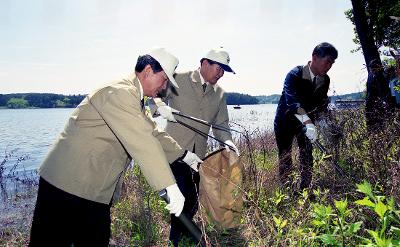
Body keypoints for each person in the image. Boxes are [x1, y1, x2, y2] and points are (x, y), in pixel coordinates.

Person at [28, 48, 203, 247]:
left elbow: (153, 132)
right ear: (147, 71)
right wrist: (168, 185)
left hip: (94, 189)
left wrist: (183, 154)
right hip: (65, 185)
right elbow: (142, 141)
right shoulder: (119, 92)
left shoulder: (136, 98)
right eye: (163, 80)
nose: (164, 88)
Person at [150, 47, 239, 246]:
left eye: (224, 70)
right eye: (218, 67)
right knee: (179, 195)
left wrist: (228, 142)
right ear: (204, 63)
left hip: (198, 156)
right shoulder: (178, 79)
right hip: (174, 151)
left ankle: (185, 231)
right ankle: (174, 238)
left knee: (192, 198)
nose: (221, 73)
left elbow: (221, 125)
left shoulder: (220, 94)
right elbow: (153, 96)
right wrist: (159, 107)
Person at [274, 42, 338, 191]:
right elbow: (292, 103)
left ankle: (306, 188)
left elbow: (321, 102)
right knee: (285, 156)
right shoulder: (294, 74)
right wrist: (308, 122)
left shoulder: (325, 79)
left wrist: (323, 121)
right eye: (327, 61)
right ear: (315, 57)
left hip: (307, 123)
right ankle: (287, 190)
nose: (329, 66)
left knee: (307, 154)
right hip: (285, 122)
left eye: (332, 63)